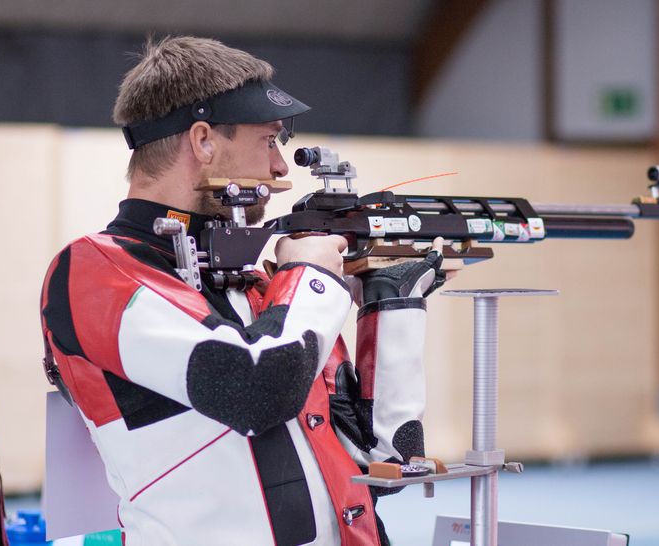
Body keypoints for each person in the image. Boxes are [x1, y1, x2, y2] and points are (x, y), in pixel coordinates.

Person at [40, 36, 445, 546]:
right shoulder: (94, 272)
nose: (280, 167)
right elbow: (256, 389)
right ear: (204, 140)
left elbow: (379, 456)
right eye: (269, 140)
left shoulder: (256, 285)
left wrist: (393, 304)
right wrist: (312, 278)